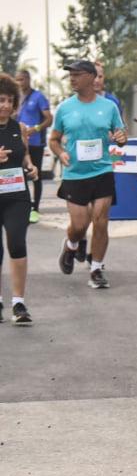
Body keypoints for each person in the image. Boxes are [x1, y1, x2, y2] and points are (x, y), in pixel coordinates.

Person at [46, 59, 128, 288]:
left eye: (77, 74)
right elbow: (53, 140)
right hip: (75, 174)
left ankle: (96, 269)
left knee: (101, 222)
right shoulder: (65, 108)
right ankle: (71, 245)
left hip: (102, 171)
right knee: (80, 226)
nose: (72, 78)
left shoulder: (109, 107)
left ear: (91, 77)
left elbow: (121, 135)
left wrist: (121, 138)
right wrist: (61, 153)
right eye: (70, 75)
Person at [0, 75, 39, 324]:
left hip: (17, 196)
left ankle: (18, 303)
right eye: (1, 100)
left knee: (17, 243)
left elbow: (25, 156)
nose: (5, 105)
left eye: (9, 101)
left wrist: (31, 167)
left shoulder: (20, 128)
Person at [15, 70, 51, 222]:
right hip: (19, 142)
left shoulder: (38, 97)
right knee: (19, 175)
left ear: (28, 79)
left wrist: (35, 129)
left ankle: (35, 209)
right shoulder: (16, 98)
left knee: (35, 175)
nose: (19, 83)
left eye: (22, 79)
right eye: (17, 80)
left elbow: (49, 119)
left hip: (35, 143)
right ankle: (23, 207)